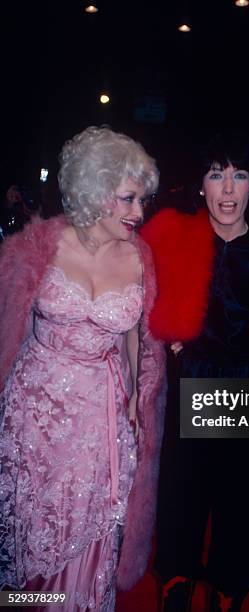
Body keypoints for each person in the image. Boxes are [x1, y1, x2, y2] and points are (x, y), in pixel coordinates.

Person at [0, 126, 167, 610]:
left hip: (101, 421)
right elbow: (9, 325)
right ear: (95, 192)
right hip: (35, 419)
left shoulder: (140, 258)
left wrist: (137, 397)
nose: (139, 212)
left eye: (142, 200)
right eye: (128, 198)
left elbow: (135, 336)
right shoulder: (39, 246)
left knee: (89, 536)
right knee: (29, 536)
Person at [140, 133, 249, 612]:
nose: (228, 189)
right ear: (201, 185)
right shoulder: (172, 238)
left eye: (239, 175)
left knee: (242, 506)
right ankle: (177, 585)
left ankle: (229, 590)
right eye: (216, 174)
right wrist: (172, 344)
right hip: (191, 383)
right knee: (182, 498)